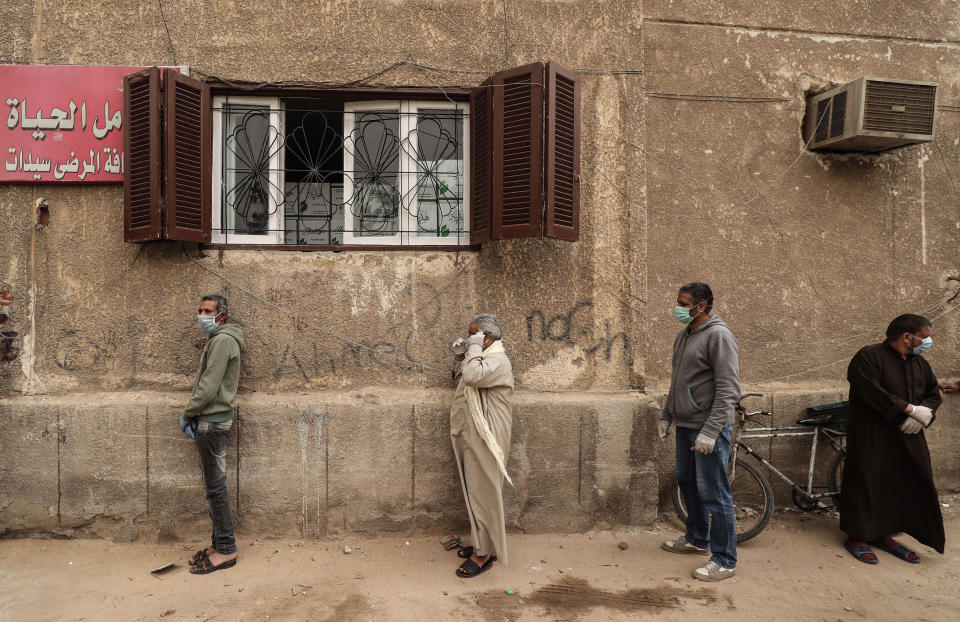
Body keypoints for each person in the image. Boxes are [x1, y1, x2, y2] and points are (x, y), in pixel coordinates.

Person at [841, 313, 944, 564]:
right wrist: (909, 409)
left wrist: (923, 415)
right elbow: (870, 390)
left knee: (903, 480)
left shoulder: (920, 363)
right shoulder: (869, 356)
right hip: (872, 434)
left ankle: (884, 534)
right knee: (867, 480)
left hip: (908, 433)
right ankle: (857, 536)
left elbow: (932, 393)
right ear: (907, 337)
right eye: (925, 337)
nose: (928, 342)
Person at [658, 282, 741, 582]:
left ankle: (725, 559)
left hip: (709, 429)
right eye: (678, 302)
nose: (678, 308)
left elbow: (729, 389)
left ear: (701, 306)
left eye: (684, 303)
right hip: (685, 425)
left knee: (714, 492)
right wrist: (668, 414)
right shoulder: (684, 335)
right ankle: (697, 538)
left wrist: (711, 430)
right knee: (687, 481)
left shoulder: (719, 336)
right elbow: (677, 381)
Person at [180, 294, 245, 575]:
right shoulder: (220, 339)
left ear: (222, 315)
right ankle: (218, 544)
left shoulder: (221, 341)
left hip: (212, 421)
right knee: (213, 487)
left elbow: (208, 387)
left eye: (208, 311)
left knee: (215, 488)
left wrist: (188, 413)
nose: (202, 315)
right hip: (214, 420)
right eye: (200, 310)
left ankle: (226, 550)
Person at [449, 314, 514, 578]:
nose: (468, 338)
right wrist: (461, 357)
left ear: (485, 337)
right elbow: (463, 378)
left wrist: (472, 350)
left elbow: (474, 377)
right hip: (475, 434)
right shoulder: (481, 358)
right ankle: (486, 544)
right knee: (477, 491)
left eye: (472, 334)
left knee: (482, 493)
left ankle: (483, 555)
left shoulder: (498, 360)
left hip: (488, 437)